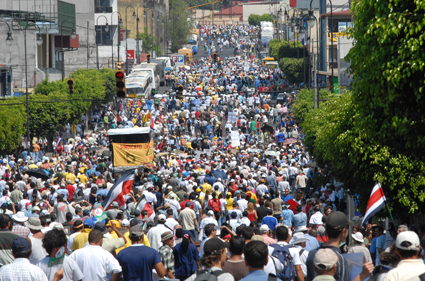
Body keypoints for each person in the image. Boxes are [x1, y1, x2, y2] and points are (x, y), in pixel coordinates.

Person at [305, 211, 374, 281]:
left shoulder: (311, 254)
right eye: (347, 229)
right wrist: (361, 276)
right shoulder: (340, 259)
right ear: (343, 231)